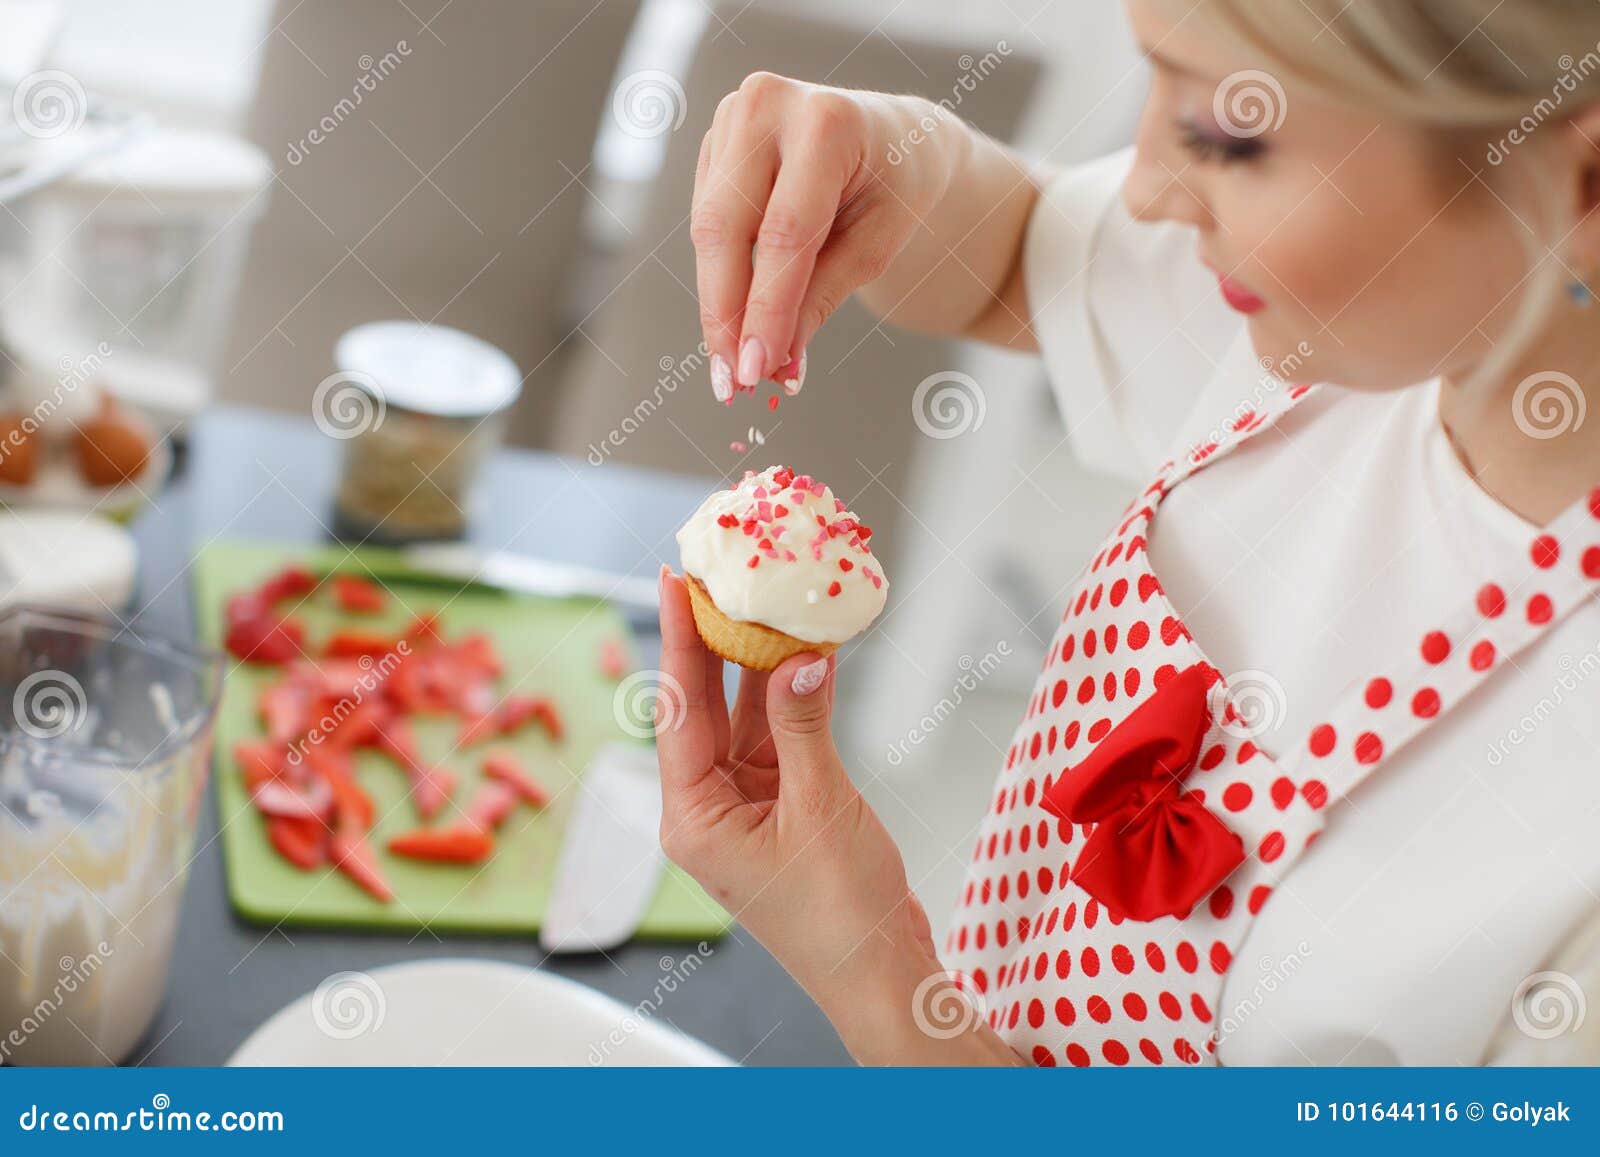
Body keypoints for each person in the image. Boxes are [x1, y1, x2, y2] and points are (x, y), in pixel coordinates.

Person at [656, 0, 1600, 1065]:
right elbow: (1012, 250)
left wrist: (869, 966)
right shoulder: (1348, 319)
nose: (1147, 187)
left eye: (1227, 134)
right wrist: (882, 149)